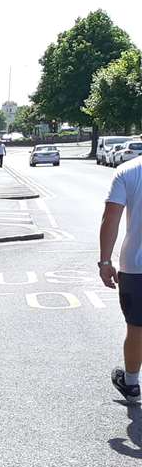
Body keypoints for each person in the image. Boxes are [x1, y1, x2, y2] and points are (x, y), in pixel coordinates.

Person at [100, 150, 142, 405]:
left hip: (136, 267)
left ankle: (131, 382)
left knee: (137, 327)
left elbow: (110, 218)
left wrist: (105, 261)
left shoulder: (128, 171)